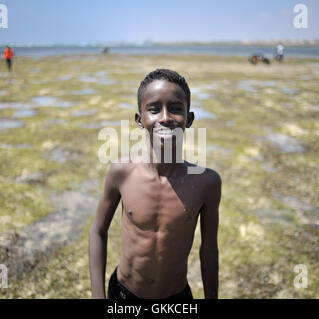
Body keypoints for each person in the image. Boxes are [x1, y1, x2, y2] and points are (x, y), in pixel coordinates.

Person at [89, 69, 221, 299]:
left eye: (176, 108)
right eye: (154, 109)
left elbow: (209, 250)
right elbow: (98, 231)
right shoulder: (122, 172)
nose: (165, 117)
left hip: (176, 298)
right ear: (140, 120)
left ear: (189, 119)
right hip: (124, 294)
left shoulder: (206, 183)